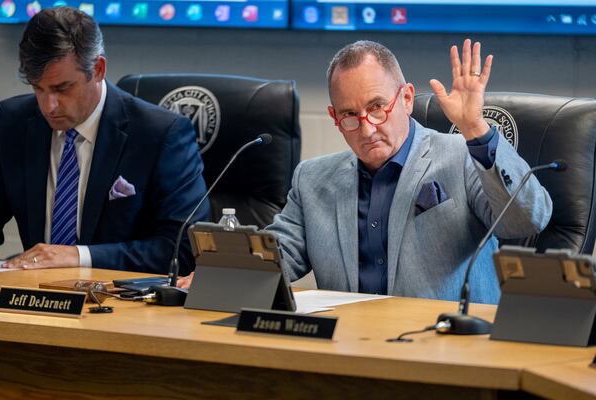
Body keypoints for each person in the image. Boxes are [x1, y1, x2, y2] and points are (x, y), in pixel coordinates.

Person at [179, 39, 552, 304]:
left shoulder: (462, 156)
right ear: (334, 119)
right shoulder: (313, 179)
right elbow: (280, 255)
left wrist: (476, 130)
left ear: (406, 98)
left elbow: (527, 221)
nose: (368, 127)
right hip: (350, 349)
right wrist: (224, 271)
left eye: (377, 107)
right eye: (350, 115)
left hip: (448, 350)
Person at [0, 7, 209, 275]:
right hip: (36, 296)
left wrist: (79, 256)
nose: (48, 106)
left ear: (97, 69)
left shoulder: (161, 134)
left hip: (120, 301)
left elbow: (182, 250)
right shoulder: (13, 121)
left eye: (62, 89)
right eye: (38, 88)